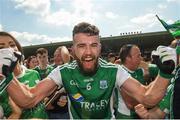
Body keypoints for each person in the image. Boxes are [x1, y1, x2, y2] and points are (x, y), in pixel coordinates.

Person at [1, 22, 176, 119]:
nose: (88, 52)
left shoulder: (114, 71)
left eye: (93, 45)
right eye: (82, 46)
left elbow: (147, 96)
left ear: (100, 47)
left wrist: (165, 74)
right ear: (73, 49)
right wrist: (8, 76)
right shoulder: (63, 72)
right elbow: (29, 99)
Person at [0, 31, 48, 119]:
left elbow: (41, 102)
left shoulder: (34, 73)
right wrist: (16, 113)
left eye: (12, 45)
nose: (9, 49)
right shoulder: (1, 84)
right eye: (1, 47)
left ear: (18, 48)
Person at [45, 46, 70, 119]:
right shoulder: (51, 72)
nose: (56, 58)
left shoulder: (71, 72)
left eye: (59, 55)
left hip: (64, 114)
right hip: (51, 113)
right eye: (55, 56)